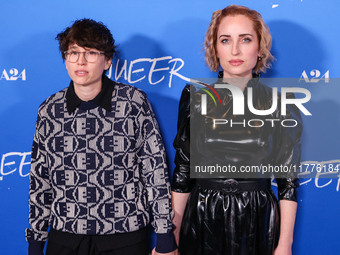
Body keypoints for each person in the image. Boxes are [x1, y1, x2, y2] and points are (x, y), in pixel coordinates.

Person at [25, 18, 177, 255]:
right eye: (73, 52)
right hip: (65, 237)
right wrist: (35, 241)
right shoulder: (49, 109)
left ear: (107, 61)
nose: (80, 61)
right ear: (65, 59)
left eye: (91, 53)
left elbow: (154, 170)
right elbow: (40, 181)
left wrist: (165, 234)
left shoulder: (133, 102)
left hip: (125, 237)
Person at [171, 5, 302, 255]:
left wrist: (285, 244)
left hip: (257, 218)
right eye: (225, 40)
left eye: (245, 39)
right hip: (201, 216)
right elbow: (183, 171)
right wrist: (171, 235)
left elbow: (288, 182)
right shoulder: (195, 99)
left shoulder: (281, 105)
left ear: (259, 47)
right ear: (215, 48)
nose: (235, 50)